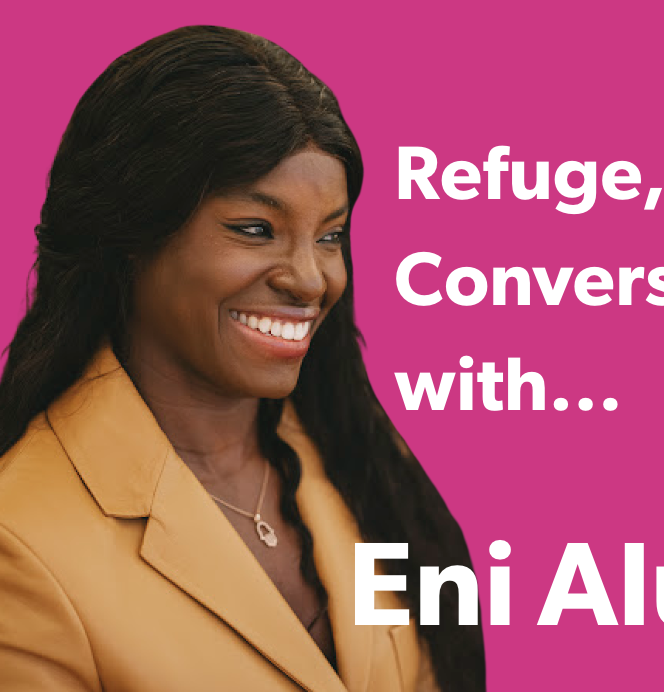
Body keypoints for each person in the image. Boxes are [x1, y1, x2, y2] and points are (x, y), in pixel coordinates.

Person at [0, 25, 485, 692]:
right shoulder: (20, 545)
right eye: (256, 229)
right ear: (132, 233)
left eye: (331, 235)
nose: (311, 279)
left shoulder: (361, 465)